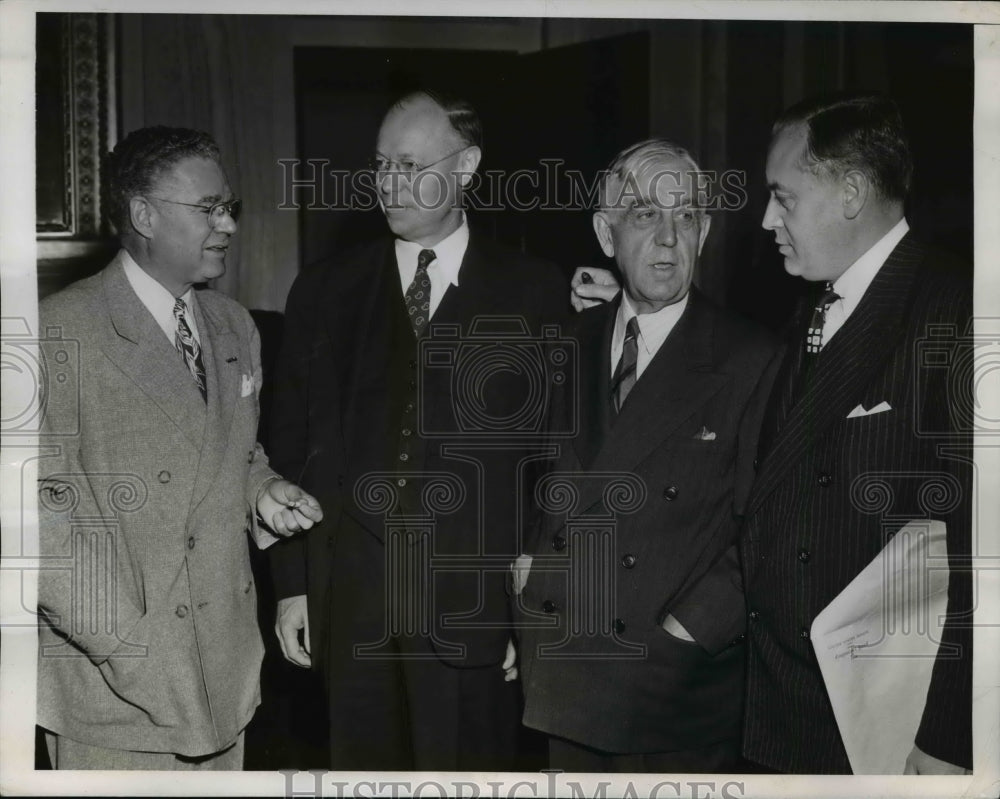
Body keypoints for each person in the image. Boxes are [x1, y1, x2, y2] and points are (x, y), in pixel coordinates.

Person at [569, 92, 973, 775]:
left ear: (849, 193)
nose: (765, 220)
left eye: (783, 197)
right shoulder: (817, 305)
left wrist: (950, 737)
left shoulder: (955, 310)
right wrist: (631, 313)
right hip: (788, 709)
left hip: (880, 723)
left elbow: (985, 554)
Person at [268, 89, 568, 771]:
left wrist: (533, 604)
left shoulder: (532, 290)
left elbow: (552, 459)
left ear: (465, 168)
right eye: (379, 164)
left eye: (409, 165)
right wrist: (292, 584)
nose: (387, 184)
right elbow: (287, 445)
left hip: (474, 608)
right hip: (350, 599)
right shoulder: (323, 291)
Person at [36, 126, 323, 770]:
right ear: (143, 214)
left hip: (224, 673)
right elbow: (37, 522)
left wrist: (263, 493)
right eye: (207, 209)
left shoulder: (232, 325)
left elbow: (233, 454)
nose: (226, 224)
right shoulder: (56, 332)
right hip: (114, 690)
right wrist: (128, 647)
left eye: (231, 209)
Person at [514, 139, 778, 772]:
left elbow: (767, 529)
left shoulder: (752, 358)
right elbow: (532, 482)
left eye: (685, 217)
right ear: (606, 234)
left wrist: (693, 630)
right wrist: (525, 583)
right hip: (563, 676)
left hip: (674, 691)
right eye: (645, 216)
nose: (668, 238)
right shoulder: (566, 346)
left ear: (705, 233)